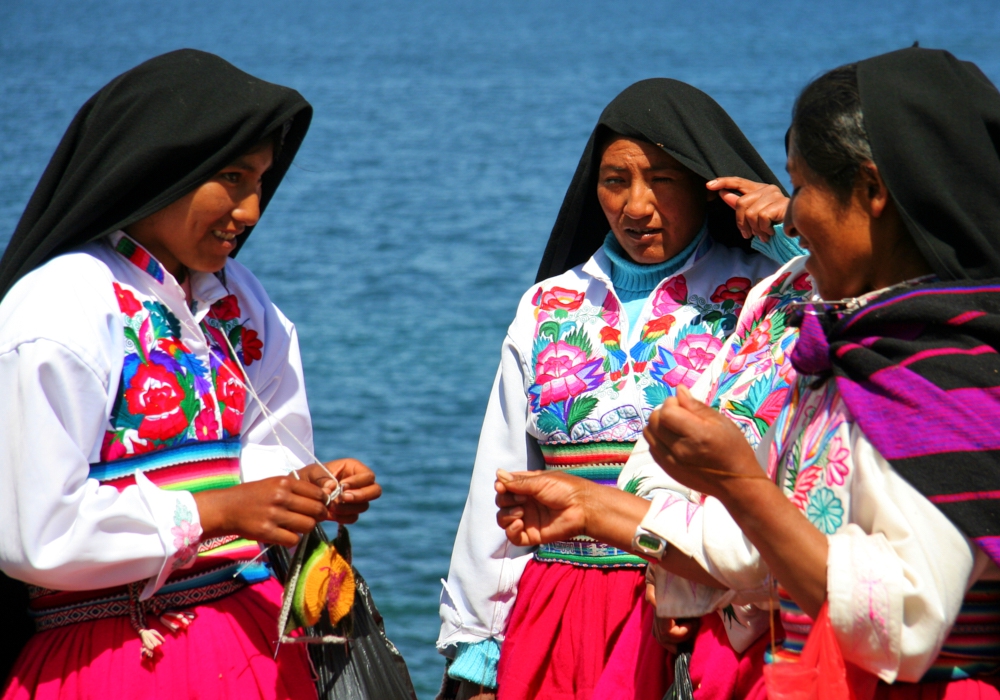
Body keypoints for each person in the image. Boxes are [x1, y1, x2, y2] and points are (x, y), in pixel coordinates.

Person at [499, 47, 1000, 696]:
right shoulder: (833, 327)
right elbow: (764, 553)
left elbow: (900, 622)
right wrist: (595, 507)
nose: (788, 216)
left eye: (802, 187)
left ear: (873, 191)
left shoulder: (952, 367)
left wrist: (738, 481)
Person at [0, 50, 381, 699]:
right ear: (160, 166)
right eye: (232, 177)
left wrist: (307, 490)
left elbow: (262, 469)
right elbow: (35, 533)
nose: (252, 209)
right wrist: (217, 509)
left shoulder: (241, 305)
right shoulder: (62, 307)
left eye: (260, 181)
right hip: (115, 657)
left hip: (256, 647)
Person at [438, 77, 802, 700]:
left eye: (662, 179)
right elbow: (499, 480)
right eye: (615, 181)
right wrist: (478, 645)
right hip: (557, 609)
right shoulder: (548, 305)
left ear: (705, 182)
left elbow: (849, 316)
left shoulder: (765, 293)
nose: (637, 205)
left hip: (698, 607)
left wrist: (790, 233)